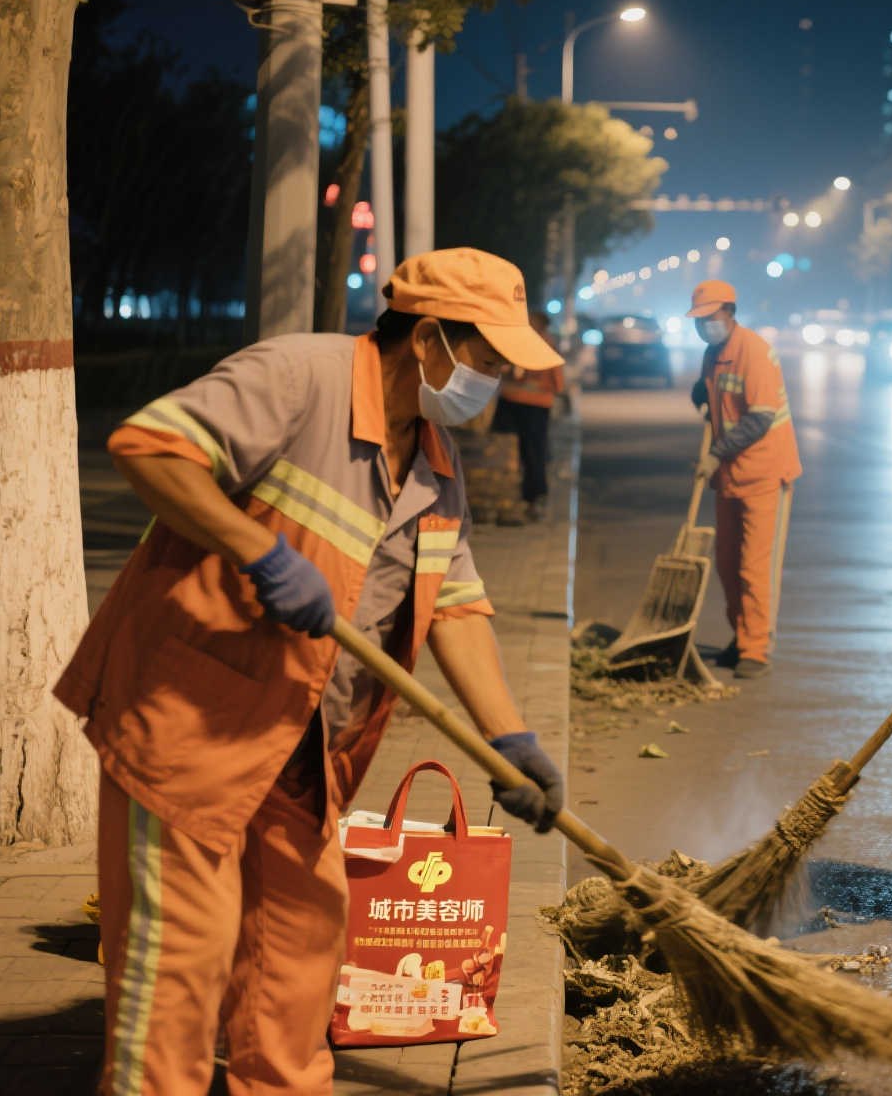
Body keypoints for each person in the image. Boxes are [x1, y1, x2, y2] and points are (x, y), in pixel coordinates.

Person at [54, 248, 571, 1096]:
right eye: (491, 359)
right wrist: (256, 549)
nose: (501, 379)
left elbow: (456, 604)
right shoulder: (301, 376)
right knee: (182, 959)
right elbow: (147, 446)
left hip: (303, 749)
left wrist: (508, 736)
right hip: (190, 724)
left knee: (301, 944)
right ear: (432, 339)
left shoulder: (436, 461)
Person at [687, 279, 801, 680]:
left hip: (765, 472)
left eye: (710, 319)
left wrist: (715, 454)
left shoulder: (754, 351)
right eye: (698, 321)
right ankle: (740, 635)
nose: (704, 327)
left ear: (730, 314)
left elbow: (759, 417)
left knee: (755, 566)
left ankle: (756, 646)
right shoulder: (712, 353)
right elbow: (710, 393)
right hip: (731, 477)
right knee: (728, 563)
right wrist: (701, 395)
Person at [491, 308, 566, 526]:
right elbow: (557, 381)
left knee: (520, 451)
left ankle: (524, 497)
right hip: (529, 405)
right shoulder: (543, 343)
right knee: (531, 451)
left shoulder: (534, 343)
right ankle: (528, 497)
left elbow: (555, 379)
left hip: (520, 403)